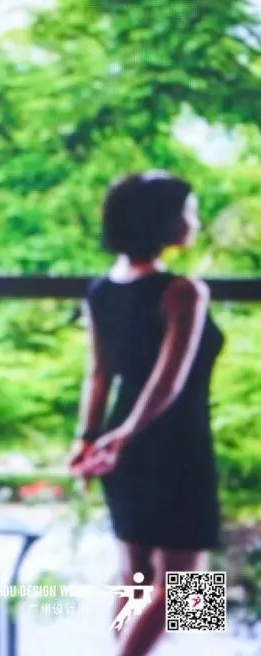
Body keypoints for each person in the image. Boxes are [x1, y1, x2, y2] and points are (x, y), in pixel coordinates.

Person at [68, 170, 223, 656]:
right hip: (176, 442)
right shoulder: (183, 291)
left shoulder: (102, 289)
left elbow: (99, 374)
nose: (194, 222)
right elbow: (168, 382)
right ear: (163, 221)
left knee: (134, 573)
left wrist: (90, 437)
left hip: (122, 442)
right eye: (189, 212)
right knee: (187, 586)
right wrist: (125, 435)